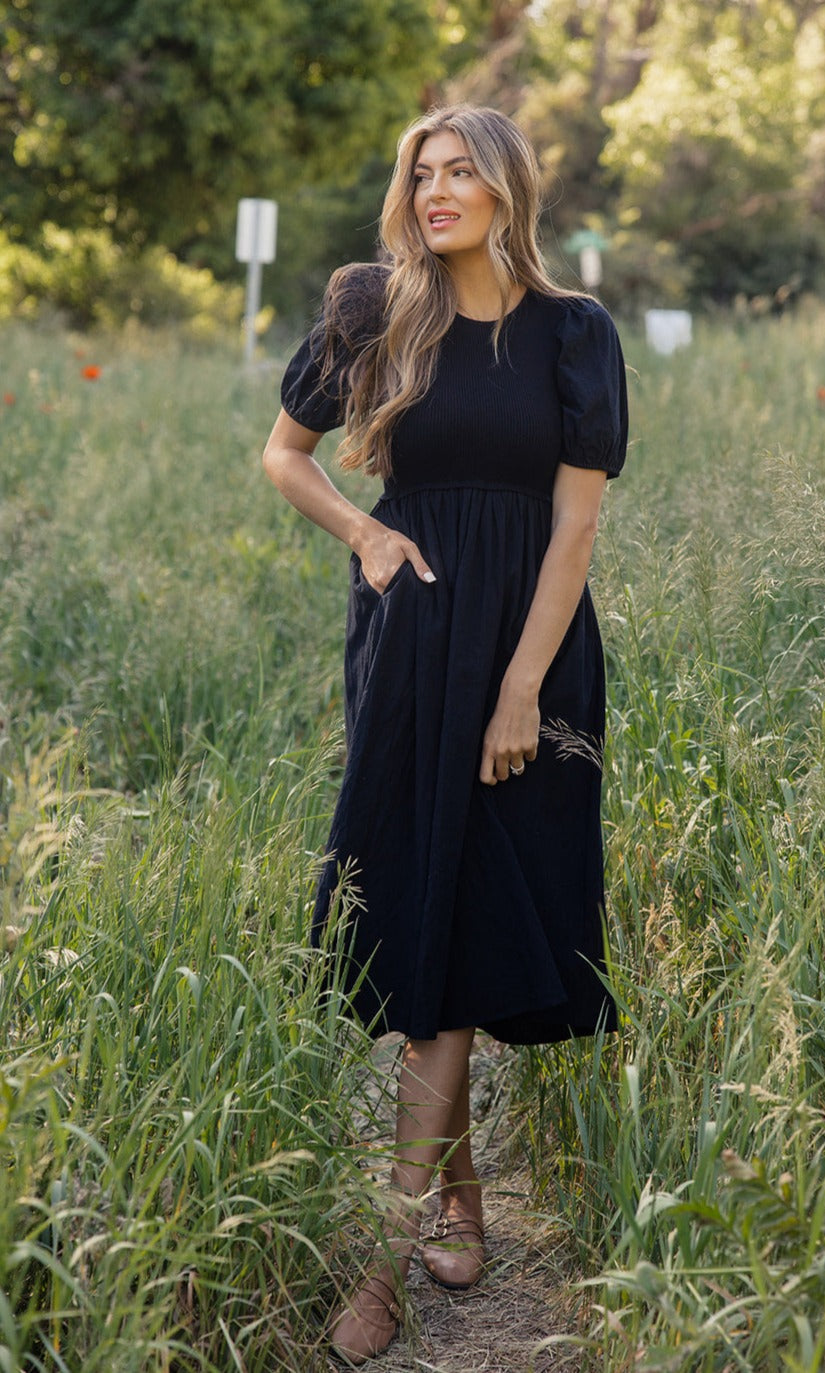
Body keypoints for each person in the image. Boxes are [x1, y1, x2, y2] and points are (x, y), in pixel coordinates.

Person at [262, 103, 628, 1365]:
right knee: (426, 905)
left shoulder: (574, 336)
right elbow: (285, 454)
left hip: (530, 652)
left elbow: (574, 529)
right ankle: (428, 1216)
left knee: (472, 908)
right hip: (413, 642)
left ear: (508, 187)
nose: (435, 189)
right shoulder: (376, 308)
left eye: (460, 169)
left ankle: (404, 1229)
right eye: (421, 171)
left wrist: (523, 685)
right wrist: (363, 532)